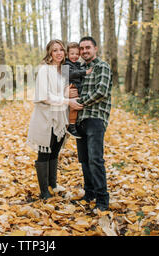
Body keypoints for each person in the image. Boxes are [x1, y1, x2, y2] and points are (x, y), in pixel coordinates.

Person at [26, 39, 75, 200]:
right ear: (49, 53)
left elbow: (66, 92)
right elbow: (44, 96)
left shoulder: (65, 71)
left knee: (55, 150)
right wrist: (66, 100)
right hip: (45, 118)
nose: (59, 53)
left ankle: (53, 184)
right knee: (44, 152)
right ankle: (44, 192)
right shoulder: (44, 70)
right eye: (55, 50)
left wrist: (71, 95)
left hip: (60, 117)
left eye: (61, 49)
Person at [68, 36, 113, 212]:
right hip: (80, 120)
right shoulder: (80, 69)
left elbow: (101, 91)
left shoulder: (102, 67)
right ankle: (90, 194)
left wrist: (80, 101)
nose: (84, 51)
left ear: (95, 49)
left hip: (95, 118)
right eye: (82, 48)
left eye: (88, 47)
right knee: (85, 160)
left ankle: (102, 200)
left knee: (95, 159)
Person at [64, 42, 92, 139]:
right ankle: (71, 125)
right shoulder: (66, 64)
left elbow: (79, 68)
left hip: (76, 87)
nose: (75, 56)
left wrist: (84, 67)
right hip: (71, 87)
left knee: (76, 106)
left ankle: (73, 123)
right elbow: (71, 74)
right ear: (67, 54)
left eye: (77, 54)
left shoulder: (76, 64)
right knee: (74, 107)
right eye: (72, 54)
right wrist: (85, 72)